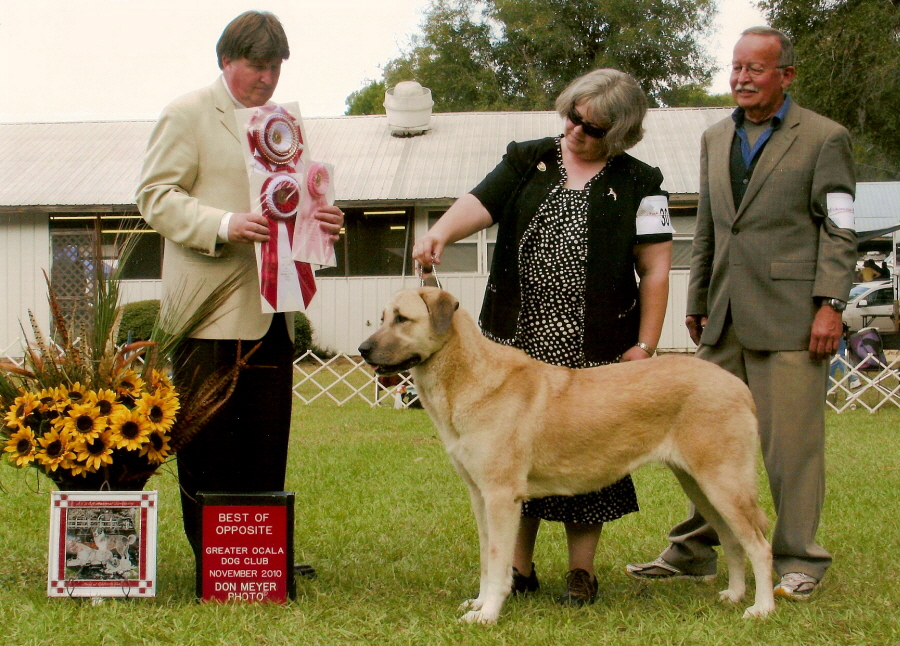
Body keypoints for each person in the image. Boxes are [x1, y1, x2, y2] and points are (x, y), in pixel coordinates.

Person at [413, 69, 673, 606]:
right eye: (573, 116)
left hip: (598, 344)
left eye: (594, 127)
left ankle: (582, 573)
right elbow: (479, 202)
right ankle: (518, 569)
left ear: (620, 133)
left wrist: (644, 347)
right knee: (506, 456)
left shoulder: (643, 182)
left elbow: (656, 269)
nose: (577, 130)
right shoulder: (527, 157)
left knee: (590, 453)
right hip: (517, 340)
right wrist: (440, 230)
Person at [625, 26, 857, 602]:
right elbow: (707, 227)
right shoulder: (712, 137)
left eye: (756, 68)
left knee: (791, 449)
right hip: (723, 314)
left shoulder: (826, 138)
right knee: (694, 440)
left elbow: (840, 227)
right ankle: (693, 551)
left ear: (787, 76)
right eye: (736, 68)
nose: (742, 78)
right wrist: (698, 298)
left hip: (794, 319)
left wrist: (830, 304)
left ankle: (801, 559)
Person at [136, 11, 343, 569]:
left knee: (267, 438)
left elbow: (293, 200)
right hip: (207, 311)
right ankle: (214, 558)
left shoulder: (282, 124)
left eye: (276, 67)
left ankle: (260, 554)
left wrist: (320, 220)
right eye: (257, 65)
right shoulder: (186, 113)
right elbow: (155, 195)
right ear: (226, 60)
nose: (268, 78)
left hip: (274, 308)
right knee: (206, 440)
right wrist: (224, 224)